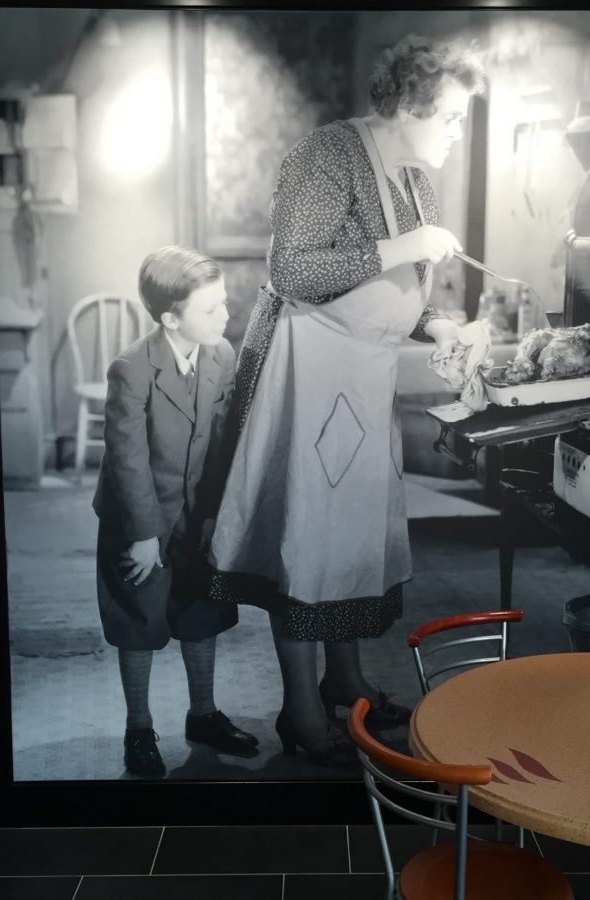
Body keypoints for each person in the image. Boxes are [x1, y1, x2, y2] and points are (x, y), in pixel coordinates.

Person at [208, 35, 487, 766]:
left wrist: (443, 322)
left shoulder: (417, 179)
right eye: (453, 118)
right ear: (410, 106)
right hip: (306, 369)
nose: (459, 132)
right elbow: (292, 268)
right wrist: (408, 246)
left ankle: (347, 680)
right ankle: (300, 712)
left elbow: (405, 291)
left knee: (355, 532)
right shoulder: (327, 154)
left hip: (363, 372)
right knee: (307, 539)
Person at [93, 245, 259, 777]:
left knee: (199, 609)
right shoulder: (132, 370)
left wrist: (217, 516)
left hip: (197, 512)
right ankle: (138, 728)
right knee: (139, 618)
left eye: (224, 304)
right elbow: (127, 460)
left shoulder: (222, 355)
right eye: (211, 309)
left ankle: (203, 714)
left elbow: (224, 442)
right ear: (171, 317)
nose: (225, 316)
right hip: (138, 518)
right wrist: (144, 534)